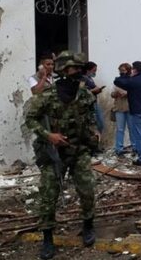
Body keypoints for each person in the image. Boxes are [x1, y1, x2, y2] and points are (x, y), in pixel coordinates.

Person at [23, 51, 99, 259]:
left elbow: (90, 116)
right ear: (64, 71)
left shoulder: (85, 95)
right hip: (53, 152)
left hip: (79, 150)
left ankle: (88, 225)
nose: (80, 73)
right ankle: (48, 238)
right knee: (48, 195)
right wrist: (49, 136)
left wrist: (94, 132)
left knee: (87, 189)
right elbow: (30, 119)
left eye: (81, 69)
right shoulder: (47, 95)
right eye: (76, 69)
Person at [111, 63, 135, 156]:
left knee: (132, 128)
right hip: (119, 108)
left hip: (130, 107)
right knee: (120, 129)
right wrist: (116, 93)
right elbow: (112, 94)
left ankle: (134, 147)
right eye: (120, 70)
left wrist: (127, 93)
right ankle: (119, 148)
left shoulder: (132, 80)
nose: (121, 72)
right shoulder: (117, 81)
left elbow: (135, 92)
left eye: (123, 70)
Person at [82, 62, 105, 134]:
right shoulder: (83, 79)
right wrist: (93, 90)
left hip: (94, 102)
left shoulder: (90, 78)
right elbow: (82, 91)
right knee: (98, 124)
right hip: (89, 104)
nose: (95, 72)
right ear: (88, 70)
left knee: (100, 123)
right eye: (94, 70)